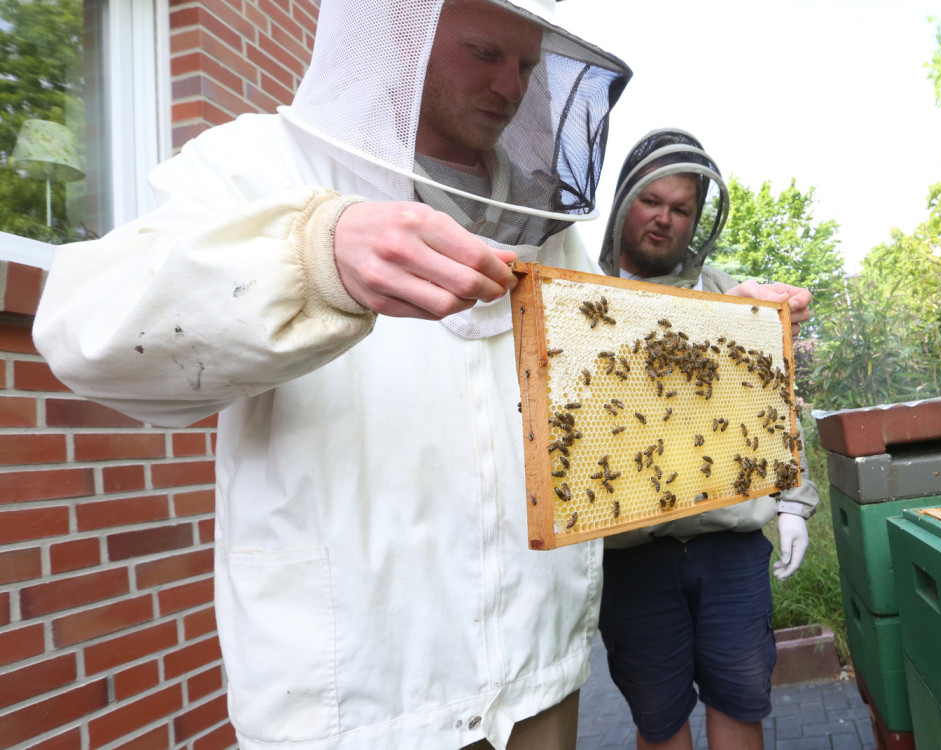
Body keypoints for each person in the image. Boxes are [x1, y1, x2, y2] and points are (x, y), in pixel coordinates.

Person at [32, 1, 636, 748]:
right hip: (356, 696)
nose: (510, 86)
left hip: (540, 677)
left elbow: (611, 384)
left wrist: (739, 329)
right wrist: (310, 257)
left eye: (528, 65)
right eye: (484, 52)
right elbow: (83, 330)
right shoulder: (256, 164)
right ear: (399, 37)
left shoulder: (548, 228)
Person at [595, 129, 821, 750]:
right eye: (652, 201)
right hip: (632, 555)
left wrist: (793, 502)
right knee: (658, 717)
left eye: (682, 209)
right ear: (623, 203)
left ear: (698, 220)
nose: (664, 219)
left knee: (740, 698)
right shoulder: (577, 299)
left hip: (730, 547)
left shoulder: (727, 294)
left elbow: (770, 402)